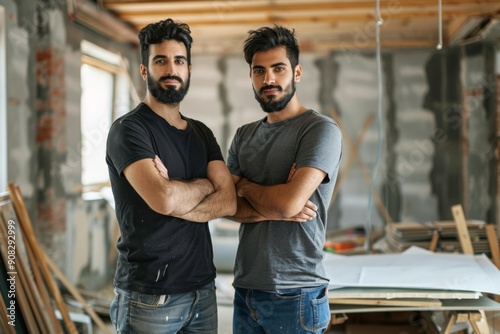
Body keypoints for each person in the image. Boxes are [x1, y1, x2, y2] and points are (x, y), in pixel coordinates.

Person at [106, 18, 236, 333]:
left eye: (179, 61)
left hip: (203, 290)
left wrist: (178, 195)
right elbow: (163, 199)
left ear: (189, 69)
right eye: (160, 61)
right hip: (150, 295)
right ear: (144, 70)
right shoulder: (129, 130)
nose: (170, 69)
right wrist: (207, 185)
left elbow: (229, 200)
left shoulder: (201, 134)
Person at [226, 25, 342, 333]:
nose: (269, 80)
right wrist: (276, 203)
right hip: (246, 288)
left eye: (278, 68)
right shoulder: (244, 135)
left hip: (297, 292)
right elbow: (224, 205)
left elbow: (289, 203)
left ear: (297, 72)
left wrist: (245, 187)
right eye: (259, 71)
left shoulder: (319, 130)